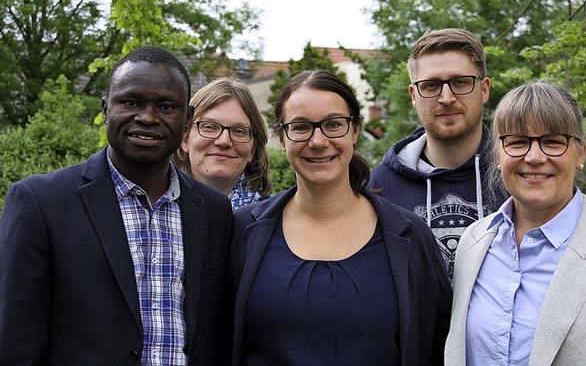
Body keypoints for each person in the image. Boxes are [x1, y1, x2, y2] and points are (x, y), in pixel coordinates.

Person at [0, 46, 233, 364]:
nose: (148, 117)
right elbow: (16, 340)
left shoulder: (215, 211)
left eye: (166, 106)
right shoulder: (40, 203)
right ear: (106, 108)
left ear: (188, 120)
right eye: (131, 102)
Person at [229, 69, 452, 365]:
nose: (318, 141)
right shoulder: (243, 232)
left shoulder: (410, 236)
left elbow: (439, 345)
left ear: (355, 130)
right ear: (282, 137)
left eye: (334, 125)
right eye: (301, 127)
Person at [445, 82, 586, 365]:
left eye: (553, 141)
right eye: (517, 141)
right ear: (498, 155)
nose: (535, 157)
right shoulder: (474, 242)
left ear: (581, 153)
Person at [369, 28, 508, 281]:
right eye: (431, 85)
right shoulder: (376, 190)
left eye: (460, 82)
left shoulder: (517, 177)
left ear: (484, 89)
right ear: (414, 96)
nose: (446, 98)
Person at [174, 77, 272, 209]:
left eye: (239, 131)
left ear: (252, 150)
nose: (224, 141)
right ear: (185, 139)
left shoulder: (276, 220)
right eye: (209, 127)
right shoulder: (154, 211)